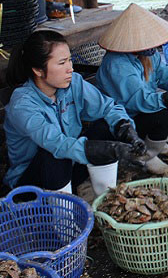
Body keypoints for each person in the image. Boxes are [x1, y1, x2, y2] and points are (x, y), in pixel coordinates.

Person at [3, 31, 146, 196]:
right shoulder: (22, 104)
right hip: (32, 183)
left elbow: (108, 107)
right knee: (54, 155)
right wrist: (114, 150)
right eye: (62, 63)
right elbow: (58, 144)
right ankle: (64, 215)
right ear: (38, 70)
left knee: (106, 127)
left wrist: (126, 128)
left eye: (70, 60)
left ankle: (103, 195)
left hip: (70, 166)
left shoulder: (73, 83)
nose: (70, 68)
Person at [96, 3, 168, 176]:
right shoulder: (117, 64)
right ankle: (146, 156)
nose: (154, 47)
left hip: (142, 107)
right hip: (125, 119)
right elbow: (138, 100)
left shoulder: (148, 55)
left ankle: (161, 144)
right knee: (166, 114)